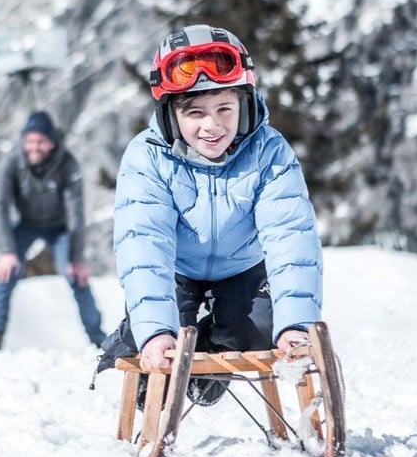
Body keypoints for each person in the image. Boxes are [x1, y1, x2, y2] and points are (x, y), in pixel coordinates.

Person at [111, 24, 323, 404]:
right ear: (172, 115)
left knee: (259, 331)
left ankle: (211, 345)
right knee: (161, 334)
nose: (212, 125)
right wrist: (156, 331)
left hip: (242, 268)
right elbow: (144, 245)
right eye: (195, 112)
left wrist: (295, 324)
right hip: (175, 270)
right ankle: (150, 333)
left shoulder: (269, 151)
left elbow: (290, 236)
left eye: (225, 108)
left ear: (243, 105)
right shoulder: (147, 157)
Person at [0, 110, 108, 352]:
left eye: (41, 141)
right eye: (30, 141)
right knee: (8, 272)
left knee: (76, 275)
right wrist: (7, 251)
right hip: (26, 224)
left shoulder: (67, 163)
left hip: (60, 227)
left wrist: (76, 257)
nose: (35, 147)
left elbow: (76, 212)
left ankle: (97, 336)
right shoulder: (10, 163)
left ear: (51, 142)